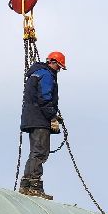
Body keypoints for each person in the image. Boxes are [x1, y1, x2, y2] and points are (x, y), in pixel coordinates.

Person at [19, 51, 66, 199]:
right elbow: (45, 98)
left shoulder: (36, 73)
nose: (59, 70)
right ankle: (34, 186)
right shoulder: (46, 75)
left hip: (32, 118)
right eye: (58, 67)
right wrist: (52, 117)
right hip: (40, 120)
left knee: (35, 152)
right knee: (40, 152)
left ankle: (25, 185)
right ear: (52, 62)